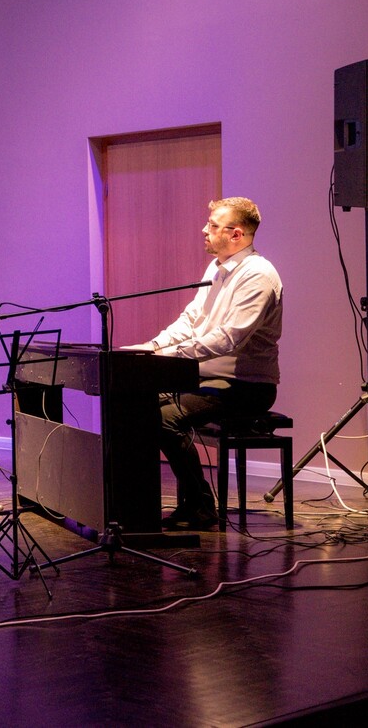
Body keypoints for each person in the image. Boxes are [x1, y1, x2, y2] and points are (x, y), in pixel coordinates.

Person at [131, 197, 282, 530]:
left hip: (246, 386)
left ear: (236, 234)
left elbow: (228, 338)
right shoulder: (216, 268)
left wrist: (167, 356)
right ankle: (136, 508)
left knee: (164, 419)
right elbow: (192, 321)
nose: (204, 229)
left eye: (213, 225)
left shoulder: (259, 275)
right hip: (207, 379)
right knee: (136, 405)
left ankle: (201, 506)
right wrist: (151, 347)